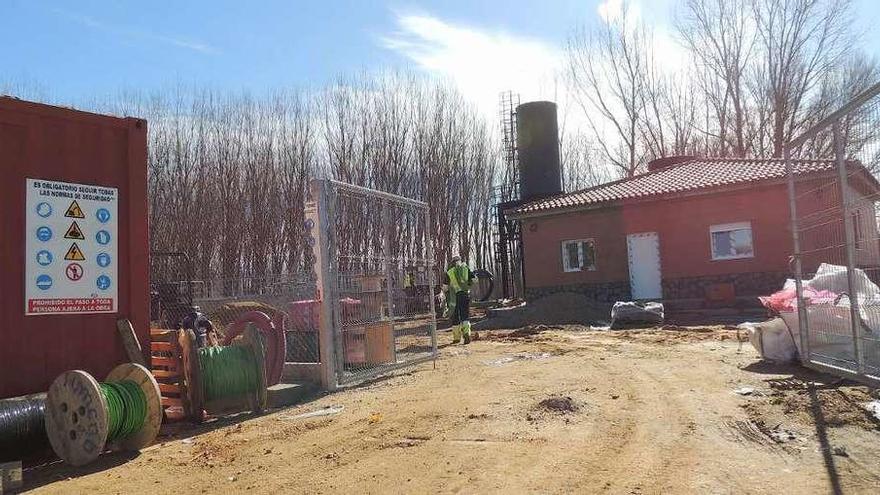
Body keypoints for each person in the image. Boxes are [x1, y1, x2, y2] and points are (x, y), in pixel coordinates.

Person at [441, 255, 475, 344]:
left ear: (452, 263)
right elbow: (475, 280)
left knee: (455, 316)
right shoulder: (466, 269)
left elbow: (445, 288)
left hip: (454, 298)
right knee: (465, 315)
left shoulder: (449, 272)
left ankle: (456, 338)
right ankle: (466, 333)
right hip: (465, 295)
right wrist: (468, 286)